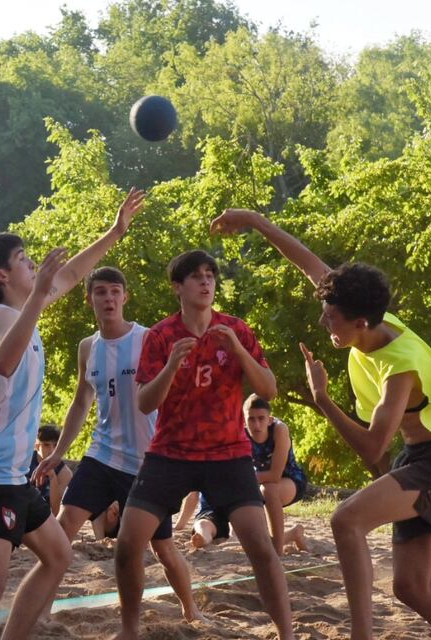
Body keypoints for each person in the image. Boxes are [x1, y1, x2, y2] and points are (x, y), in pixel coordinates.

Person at [211, 208, 431, 640]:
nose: (323, 322)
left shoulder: (400, 368)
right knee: (412, 588)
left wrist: (322, 400)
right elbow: (311, 266)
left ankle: (361, 636)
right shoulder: (371, 316)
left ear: (359, 322)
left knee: (345, 520)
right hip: (422, 456)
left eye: (330, 318)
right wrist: (256, 221)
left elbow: (373, 448)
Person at [0, 188, 146, 640]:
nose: (33, 263)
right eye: (23, 258)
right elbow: (5, 361)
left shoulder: (23, 308)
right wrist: (37, 297)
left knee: (58, 555)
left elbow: (74, 271)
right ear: (2, 275)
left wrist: (115, 231)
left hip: (13, 471)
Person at [113, 249, 293, 640]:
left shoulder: (236, 329)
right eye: (196, 276)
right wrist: (171, 366)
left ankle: (287, 633)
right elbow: (145, 402)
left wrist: (240, 350)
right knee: (127, 544)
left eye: (210, 274)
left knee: (261, 547)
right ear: (178, 287)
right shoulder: (161, 335)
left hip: (228, 454)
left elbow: (269, 389)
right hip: (170, 454)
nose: (206, 282)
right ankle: (129, 630)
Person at [31, 266, 202, 623]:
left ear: (125, 297)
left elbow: (177, 389)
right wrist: (58, 453)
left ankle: (191, 609)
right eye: (100, 292)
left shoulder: (148, 339)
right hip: (101, 454)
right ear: (90, 299)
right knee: (63, 527)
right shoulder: (87, 347)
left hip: (145, 462)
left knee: (162, 548)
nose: (108, 298)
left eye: (114, 291)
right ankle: (42, 607)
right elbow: (81, 403)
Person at [191, 394, 308, 555]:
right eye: (251, 419)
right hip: (259, 483)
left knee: (268, 490)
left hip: (290, 480)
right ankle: (293, 534)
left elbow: (275, 475)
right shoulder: (238, 434)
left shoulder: (279, 430)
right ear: (243, 420)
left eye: (261, 418)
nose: (257, 424)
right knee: (247, 496)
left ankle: (277, 552)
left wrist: (239, 479)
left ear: (270, 419)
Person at [27, 424, 72, 515]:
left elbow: (55, 511)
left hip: (44, 518)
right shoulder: (24, 462)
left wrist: (52, 477)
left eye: (55, 445)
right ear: (37, 445)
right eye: (46, 445)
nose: (52, 450)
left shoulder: (65, 473)